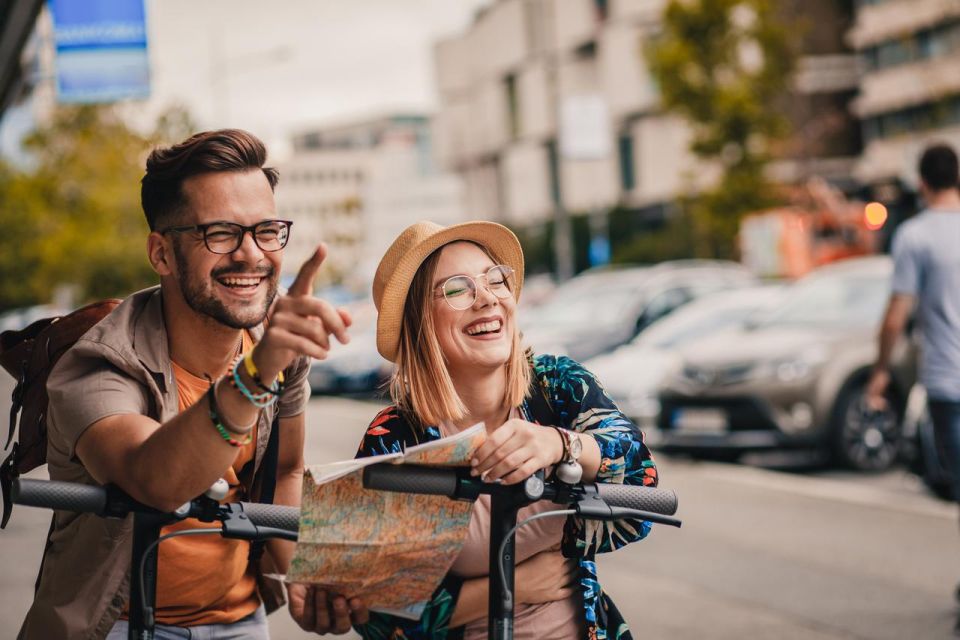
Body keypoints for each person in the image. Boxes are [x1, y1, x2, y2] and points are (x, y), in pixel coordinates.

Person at [18, 129, 368, 639]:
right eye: (221, 233)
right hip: (116, 626)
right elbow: (153, 482)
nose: (251, 254)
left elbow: (285, 470)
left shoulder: (274, 350)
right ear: (161, 254)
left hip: (240, 621)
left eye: (266, 230)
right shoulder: (99, 362)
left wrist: (302, 574)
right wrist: (258, 373)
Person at [354, 221, 659, 639]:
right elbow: (376, 613)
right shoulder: (395, 437)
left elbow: (641, 487)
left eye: (494, 279)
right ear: (419, 321)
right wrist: (511, 585)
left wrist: (561, 444)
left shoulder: (556, 386)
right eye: (458, 289)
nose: (486, 299)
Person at [866, 143, 960, 590]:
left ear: (922, 183)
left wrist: (881, 371)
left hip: (948, 384)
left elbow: (896, 315)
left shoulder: (916, 236)